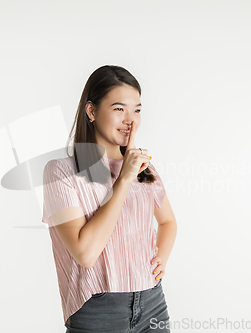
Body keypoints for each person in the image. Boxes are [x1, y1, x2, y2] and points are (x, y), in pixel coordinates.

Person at [42, 65, 177, 332]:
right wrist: (124, 178)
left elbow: (168, 222)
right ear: (91, 111)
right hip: (97, 311)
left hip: (152, 303)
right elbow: (85, 253)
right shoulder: (60, 172)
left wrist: (160, 260)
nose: (131, 120)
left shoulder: (144, 168)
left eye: (137, 109)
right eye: (119, 109)